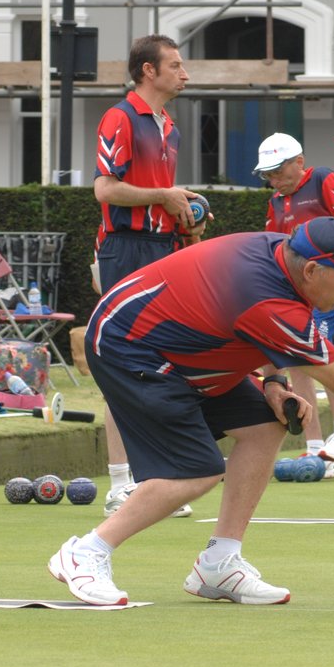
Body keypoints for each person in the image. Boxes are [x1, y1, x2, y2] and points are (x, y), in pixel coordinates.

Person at [47, 217, 334, 605]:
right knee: (195, 470)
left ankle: (218, 564)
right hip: (130, 347)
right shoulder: (268, 300)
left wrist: (275, 382)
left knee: (265, 425)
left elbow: (253, 330)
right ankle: (87, 552)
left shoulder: (285, 255)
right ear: (313, 270)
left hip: (180, 341)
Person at [92, 34, 209, 517]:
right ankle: (121, 484)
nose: (185, 74)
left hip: (163, 248)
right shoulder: (120, 117)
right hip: (125, 249)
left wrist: (185, 213)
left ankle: (151, 480)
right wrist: (164, 196)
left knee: (162, 362)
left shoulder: (169, 127)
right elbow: (105, 189)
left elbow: (158, 192)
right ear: (148, 71)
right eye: (175, 65)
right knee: (123, 364)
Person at [256, 131, 334, 476]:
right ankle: (314, 447)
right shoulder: (276, 200)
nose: (274, 180)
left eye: (279, 171)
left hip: (328, 287)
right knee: (298, 363)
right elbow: (276, 248)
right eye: (268, 174)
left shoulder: (323, 180)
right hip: (295, 294)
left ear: (299, 163)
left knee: (325, 358)